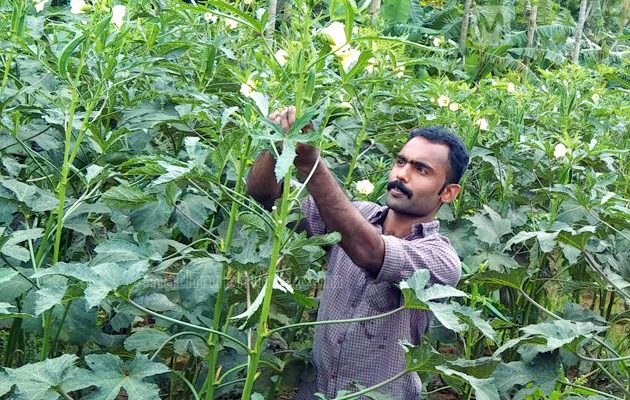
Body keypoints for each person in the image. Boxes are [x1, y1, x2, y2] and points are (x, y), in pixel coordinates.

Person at [246, 106, 469, 399]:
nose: (402, 174)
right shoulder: (358, 214)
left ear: (448, 193)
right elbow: (267, 197)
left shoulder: (441, 259)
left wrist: (311, 163)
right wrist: (279, 144)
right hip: (317, 390)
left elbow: (371, 252)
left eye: (421, 169)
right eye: (401, 161)